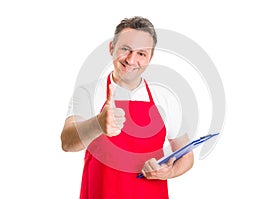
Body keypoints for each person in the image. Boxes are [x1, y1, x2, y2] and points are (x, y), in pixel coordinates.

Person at [60, 16, 194, 199]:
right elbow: (67, 143)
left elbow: (186, 155)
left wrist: (168, 172)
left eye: (141, 53)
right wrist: (98, 124)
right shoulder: (88, 93)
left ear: (150, 57)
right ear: (111, 48)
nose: (131, 60)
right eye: (125, 49)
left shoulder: (166, 99)